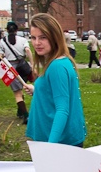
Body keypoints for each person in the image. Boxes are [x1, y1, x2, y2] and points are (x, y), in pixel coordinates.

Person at [24, 13, 86, 146]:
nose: (36, 43)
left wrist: (51, 147)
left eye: (43, 37)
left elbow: (62, 109)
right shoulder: (59, 61)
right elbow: (59, 93)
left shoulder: (57, 66)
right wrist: (38, 90)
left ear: (55, 37)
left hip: (59, 141)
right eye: (33, 37)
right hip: (57, 139)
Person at [0, 21, 33, 122]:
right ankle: (20, 111)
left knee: (17, 93)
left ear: (7, 30)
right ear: (17, 30)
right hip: (23, 66)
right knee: (22, 88)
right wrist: (32, 64)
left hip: (11, 67)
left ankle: (26, 115)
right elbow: (28, 50)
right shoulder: (22, 40)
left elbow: (0, 55)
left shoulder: (2, 41)